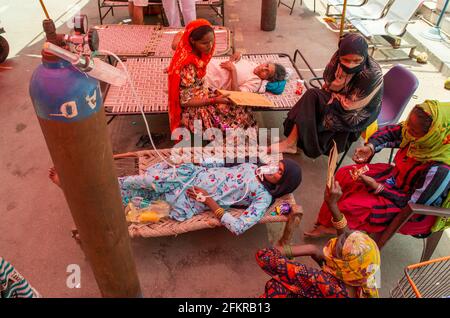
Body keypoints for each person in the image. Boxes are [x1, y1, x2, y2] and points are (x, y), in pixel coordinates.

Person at [305, 101, 450, 238]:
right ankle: (327, 221)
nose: (407, 132)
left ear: (433, 135)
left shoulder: (441, 171)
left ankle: (335, 227)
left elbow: (412, 204)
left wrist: (378, 187)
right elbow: (392, 132)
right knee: (345, 174)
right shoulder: (415, 131)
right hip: (394, 177)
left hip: (408, 207)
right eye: (408, 125)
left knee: (354, 205)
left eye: (413, 131)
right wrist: (371, 147)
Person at [49, 159, 302, 236]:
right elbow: (222, 164)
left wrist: (210, 202)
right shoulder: (253, 166)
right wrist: (193, 162)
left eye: (280, 173)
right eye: (277, 165)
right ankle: (81, 186)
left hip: (188, 200)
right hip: (184, 177)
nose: (274, 170)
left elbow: (239, 226)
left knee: (135, 206)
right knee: (144, 181)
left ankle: (81, 198)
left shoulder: (261, 198)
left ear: (283, 183)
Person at [256, 179, 380, 298]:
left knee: (277, 286)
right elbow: (348, 239)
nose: (337, 240)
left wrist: (311, 249)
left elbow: (264, 256)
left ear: (342, 264)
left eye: (338, 246)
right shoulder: (368, 275)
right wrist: (332, 205)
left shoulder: (324, 283)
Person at [271, 33, 383, 157]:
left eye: (357, 61)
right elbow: (329, 79)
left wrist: (335, 91)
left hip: (357, 112)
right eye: (346, 60)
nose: (350, 64)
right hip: (339, 95)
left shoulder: (372, 74)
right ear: (340, 54)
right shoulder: (337, 57)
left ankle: (293, 143)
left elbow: (350, 105)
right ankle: (292, 142)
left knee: (312, 101)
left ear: (364, 56)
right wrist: (336, 87)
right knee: (311, 96)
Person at [167, 19, 257, 135]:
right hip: (195, 109)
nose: (210, 46)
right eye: (204, 43)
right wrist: (215, 100)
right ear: (192, 41)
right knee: (234, 123)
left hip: (203, 94)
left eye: (212, 41)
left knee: (241, 107)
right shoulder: (188, 65)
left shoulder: (198, 54)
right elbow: (185, 102)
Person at [205, 52, 287, 93]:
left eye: (267, 72)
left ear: (267, 79)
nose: (263, 68)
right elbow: (233, 61)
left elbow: (237, 94)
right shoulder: (253, 64)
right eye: (266, 65)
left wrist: (233, 71)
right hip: (208, 63)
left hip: (207, 78)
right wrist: (236, 55)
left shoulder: (255, 83)